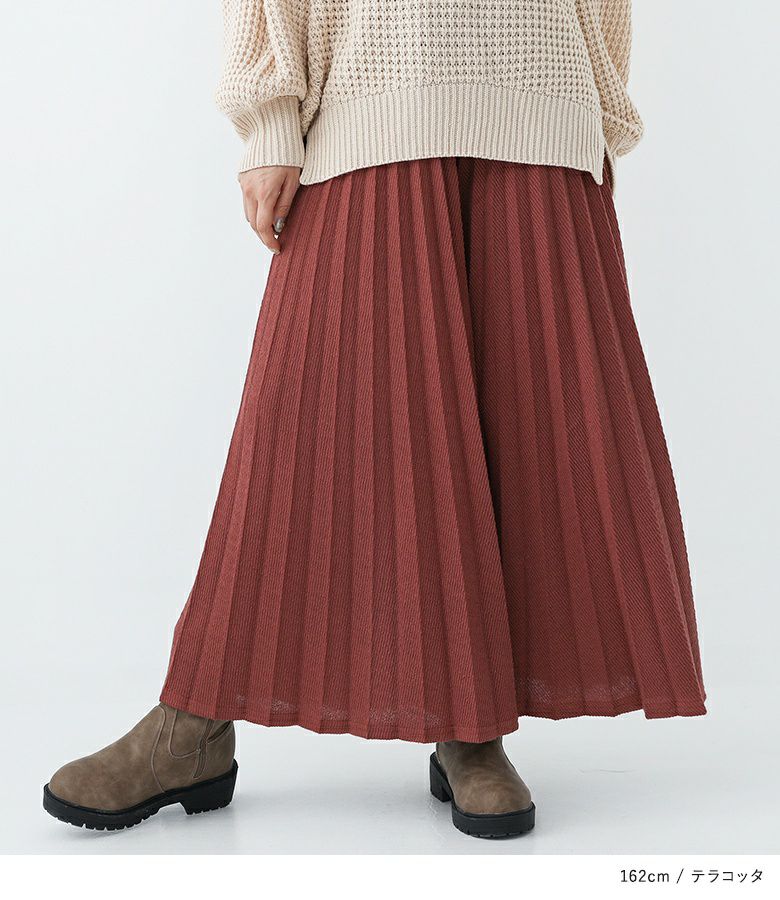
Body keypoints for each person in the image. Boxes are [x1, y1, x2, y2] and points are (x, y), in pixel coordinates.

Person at [43, 0, 705, 839]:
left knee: (526, 439)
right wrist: (271, 124)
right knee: (303, 434)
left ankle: (472, 724)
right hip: (372, 90)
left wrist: (593, 114)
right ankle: (194, 721)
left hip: (542, 98)